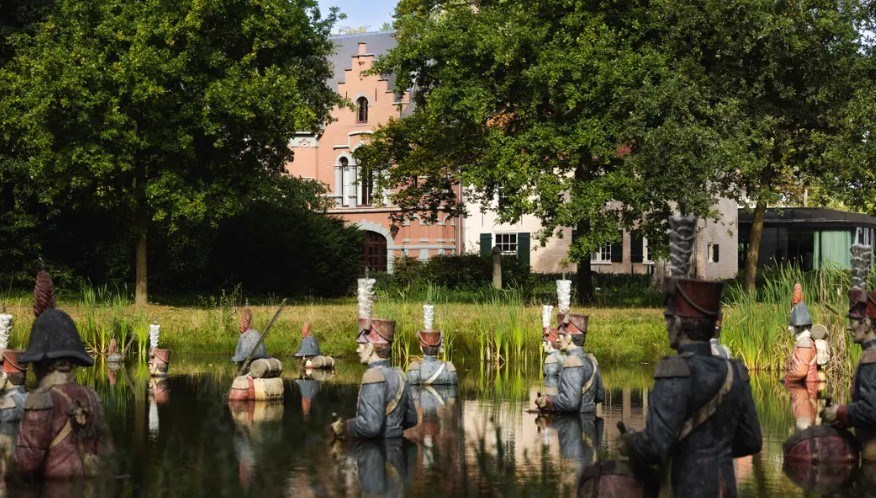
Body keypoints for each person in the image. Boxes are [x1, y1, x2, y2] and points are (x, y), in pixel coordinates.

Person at [616, 214, 762, 498]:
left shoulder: (675, 372)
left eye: (668, 318)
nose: (666, 323)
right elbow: (752, 440)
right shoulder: (735, 371)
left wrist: (631, 443)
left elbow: (656, 447)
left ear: (679, 323)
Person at [12, 270, 114, 479]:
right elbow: (110, 456)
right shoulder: (92, 397)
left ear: (41, 364)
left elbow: (26, 465)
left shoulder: (41, 400)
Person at [822, 243, 876, 461]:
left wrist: (840, 412)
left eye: (853, 321)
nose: (849, 327)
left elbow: (872, 410)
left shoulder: (872, 359)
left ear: (866, 323)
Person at [331, 318, 417, 439]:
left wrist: (345, 427)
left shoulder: (372, 376)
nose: (357, 350)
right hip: (397, 449)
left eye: (360, 346)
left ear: (370, 348)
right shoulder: (400, 374)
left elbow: (370, 427)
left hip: (377, 451)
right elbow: (412, 419)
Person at [535, 312, 603, 414]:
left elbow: (570, 403)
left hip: (573, 424)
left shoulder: (572, 362)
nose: (558, 339)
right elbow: (600, 396)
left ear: (568, 337)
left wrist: (548, 401)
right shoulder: (592, 360)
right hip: (589, 422)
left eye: (560, 335)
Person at [785, 293, 818, 385]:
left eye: (791, 325)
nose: (789, 328)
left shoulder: (804, 344)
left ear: (799, 326)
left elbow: (800, 372)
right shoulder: (806, 342)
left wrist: (785, 379)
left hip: (805, 394)